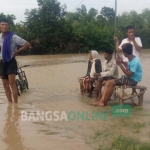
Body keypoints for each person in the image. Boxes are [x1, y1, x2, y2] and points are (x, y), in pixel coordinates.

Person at [0, 18, 30, 103]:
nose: (4, 26)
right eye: (2, 24)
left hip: (11, 61)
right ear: (0, 26)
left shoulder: (13, 37)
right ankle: (10, 104)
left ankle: (16, 104)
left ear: (9, 27)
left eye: (6, 25)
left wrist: (17, 51)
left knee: (12, 83)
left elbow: (27, 44)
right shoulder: (0, 37)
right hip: (3, 62)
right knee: (5, 85)